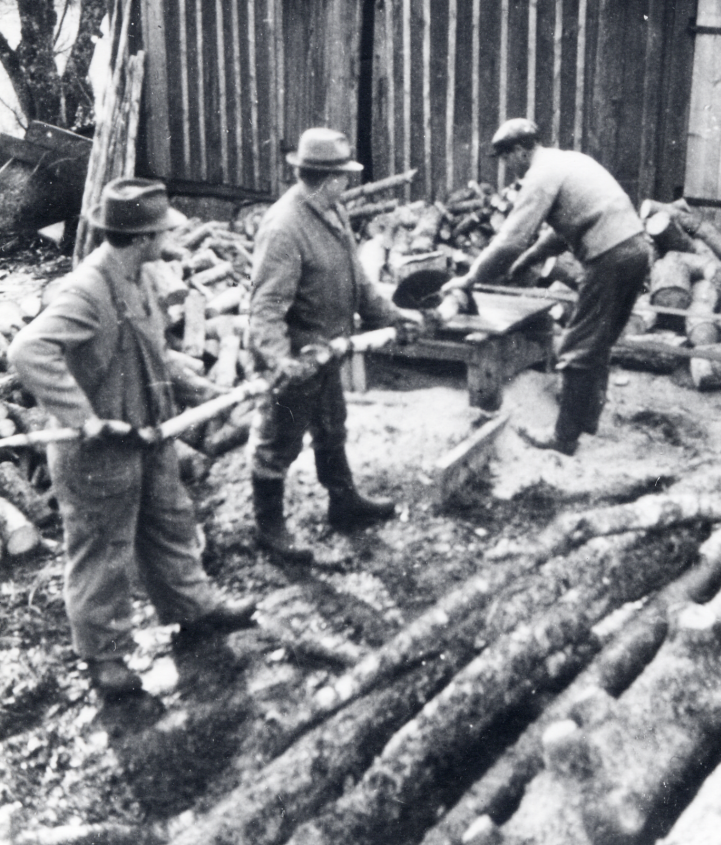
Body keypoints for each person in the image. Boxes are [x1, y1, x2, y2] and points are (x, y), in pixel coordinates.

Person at [8, 178, 257, 697]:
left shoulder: (140, 276)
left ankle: (195, 608)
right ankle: (105, 658)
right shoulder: (87, 290)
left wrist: (204, 389)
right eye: (163, 229)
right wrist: (83, 418)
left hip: (149, 435)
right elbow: (29, 350)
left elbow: (154, 357)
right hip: (98, 452)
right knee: (103, 554)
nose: (170, 235)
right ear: (143, 236)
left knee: (171, 523)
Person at [248, 127, 421, 563]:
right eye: (344, 175)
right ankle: (268, 528)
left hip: (330, 349)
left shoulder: (333, 211)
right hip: (296, 357)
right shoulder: (285, 227)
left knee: (331, 427)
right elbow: (265, 306)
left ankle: (343, 503)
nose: (348, 181)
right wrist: (279, 362)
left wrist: (391, 317)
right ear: (328, 177)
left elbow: (357, 279)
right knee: (277, 443)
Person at [442, 119, 650, 455]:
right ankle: (587, 421)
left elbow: (510, 239)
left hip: (608, 258)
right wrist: (531, 257)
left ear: (521, 150)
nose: (507, 168)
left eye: (506, 158)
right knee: (598, 343)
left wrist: (469, 280)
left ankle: (564, 439)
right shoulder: (567, 161)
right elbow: (569, 223)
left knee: (577, 347)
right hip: (635, 250)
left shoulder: (540, 175)